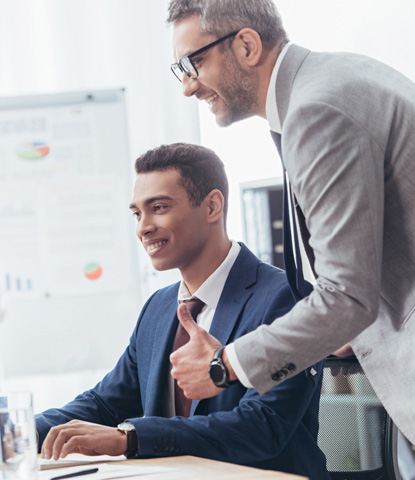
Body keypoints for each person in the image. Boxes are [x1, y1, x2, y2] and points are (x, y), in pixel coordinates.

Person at [167, 0, 415, 445]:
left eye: (195, 62)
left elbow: (348, 297)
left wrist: (226, 365)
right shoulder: (332, 79)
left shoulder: (316, 109)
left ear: (245, 45)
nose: (188, 87)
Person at [35, 143, 330, 479]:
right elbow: (105, 404)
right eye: (137, 213)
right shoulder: (159, 307)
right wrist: (17, 433)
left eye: (158, 207)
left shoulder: (286, 299)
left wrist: (130, 438)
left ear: (212, 206)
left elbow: (262, 426)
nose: (142, 227)